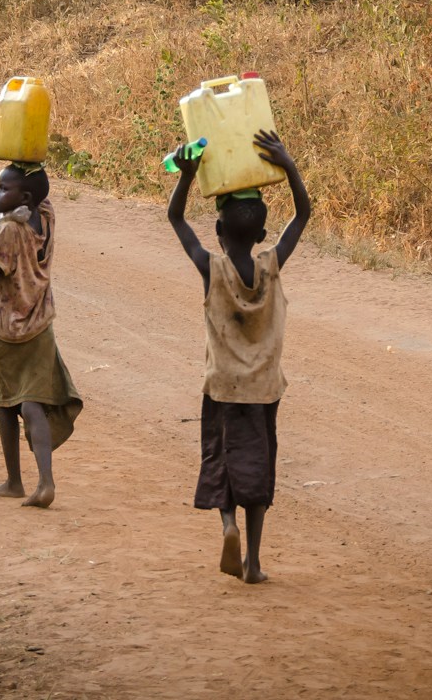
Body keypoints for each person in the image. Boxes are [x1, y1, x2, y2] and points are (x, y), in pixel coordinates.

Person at [165, 130, 310, 584]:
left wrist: (186, 176)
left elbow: (175, 219)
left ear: (219, 232)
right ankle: (254, 562)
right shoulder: (271, 265)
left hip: (223, 386)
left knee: (223, 458)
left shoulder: (213, 269)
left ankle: (225, 525)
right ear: (263, 233)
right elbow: (303, 215)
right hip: (265, 389)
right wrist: (287, 165)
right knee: (258, 467)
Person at [0, 162, 83, 508]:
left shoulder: (9, 233)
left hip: (8, 331)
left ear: (23, 197)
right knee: (32, 403)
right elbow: (43, 196)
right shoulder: (46, 218)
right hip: (41, 326)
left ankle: (14, 480)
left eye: (3, 189)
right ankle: (46, 481)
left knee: (7, 404)